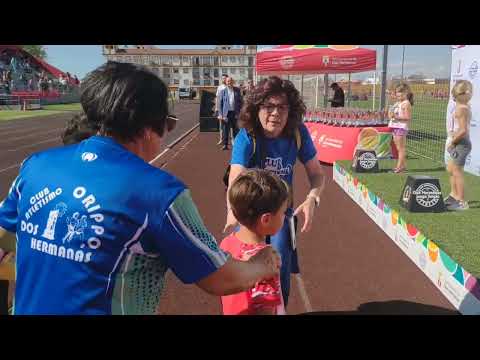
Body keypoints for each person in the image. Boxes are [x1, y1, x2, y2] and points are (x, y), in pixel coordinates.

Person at [0, 61, 280, 315]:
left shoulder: (35, 166)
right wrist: (262, 263)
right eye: (167, 125)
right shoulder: (158, 193)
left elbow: (4, 234)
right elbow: (221, 278)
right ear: (148, 129)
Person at [224, 76, 325, 306]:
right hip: (250, 214)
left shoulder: (297, 133)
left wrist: (313, 198)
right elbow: (236, 178)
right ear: (256, 108)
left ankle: (280, 308)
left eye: (282, 107)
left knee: (279, 271)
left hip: (282, 214)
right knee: (248, 271)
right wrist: (232, 211)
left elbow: (317, 173)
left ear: (290, 110)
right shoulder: (247, 137)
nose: (276, 113)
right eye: (268, 106)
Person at [221, 169, 289, 315]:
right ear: (266, 219)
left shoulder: (226, 243)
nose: (285, 217)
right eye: (283, 212)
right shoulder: (267, 262)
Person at [444, 80, 473, 211]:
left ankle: (461, 201)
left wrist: (453, 142)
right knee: (451, 169)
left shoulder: (462, 109)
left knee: (456, 171)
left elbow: (463, 130)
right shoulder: (462, 107)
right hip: (458, 142)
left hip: (461, 143)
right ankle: (453, 195)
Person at [388, 82, 413, 173]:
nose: (398, 94)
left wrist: (395, 116)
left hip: (401, 128)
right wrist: (391, 115)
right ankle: (402, 166)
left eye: (400, 92)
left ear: (406, 93)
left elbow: (407, 117)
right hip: (395, 126)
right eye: (397, 92)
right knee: (398, 148)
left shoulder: (406, 104)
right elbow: (393, 111)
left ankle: (399, 168)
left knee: (401, 148)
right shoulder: (399, 102)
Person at [217, 76, 243, 150]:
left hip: (235, 113)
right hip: (226, 114)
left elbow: (241, 102)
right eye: (228, 81)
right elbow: (220, 103)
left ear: (233, 82)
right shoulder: (223, 91)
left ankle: (236, 145)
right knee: (226, 130)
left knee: (236, 129)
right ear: (226, 82)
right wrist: (221, 114)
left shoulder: (237, 90)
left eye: (231, 81)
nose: (229, 83)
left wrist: (241, 112)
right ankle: (225, 145)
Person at [215, 74, 228, 145]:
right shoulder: (219, 87)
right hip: (221, 109)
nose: (223, 80)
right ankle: (221, 139)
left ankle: (232, 139)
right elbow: (217, 98)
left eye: (225, 78)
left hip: (229, 109)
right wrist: (216, 108)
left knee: (230, 125)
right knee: (221, 125)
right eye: (222, 78)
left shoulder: (229, 86)